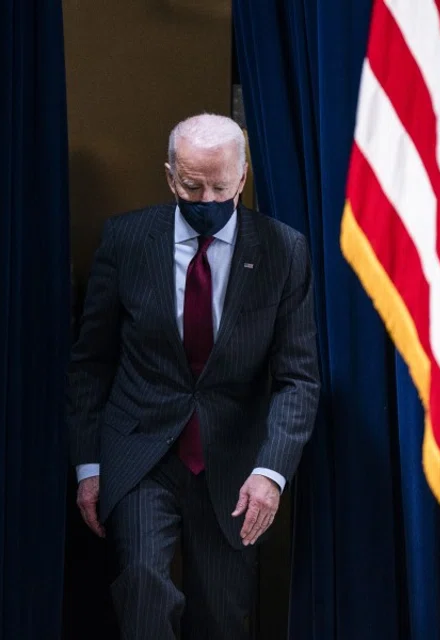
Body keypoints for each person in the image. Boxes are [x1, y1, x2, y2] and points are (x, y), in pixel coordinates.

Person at [67, 113, 320, 639]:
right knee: (141, 589)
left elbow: (299, 378)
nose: (206, 199)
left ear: (243, 178)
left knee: (223, 615)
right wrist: (88, 464)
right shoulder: (127, 240)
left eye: (220, 187)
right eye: (191, 185)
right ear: (168, 176)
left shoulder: (283, 250)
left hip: (234, 462)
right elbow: (92, 361)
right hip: (141, 451)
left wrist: (271, 473)